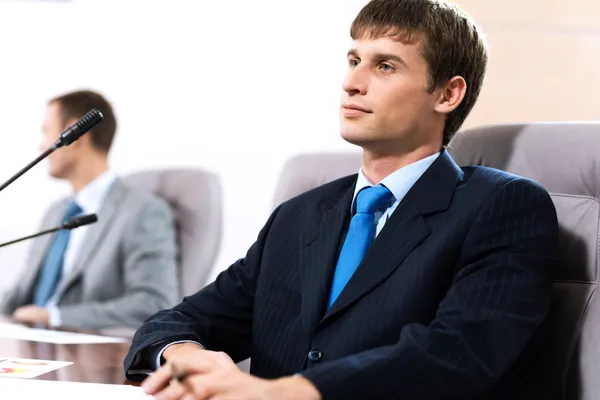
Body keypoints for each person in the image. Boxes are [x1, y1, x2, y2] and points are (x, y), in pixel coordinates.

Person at [125, 0, 559, 398]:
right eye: (353, 61)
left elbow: (457, 354)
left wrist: (288, 393)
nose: (352, 83)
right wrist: (183, 354)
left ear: (448, 94)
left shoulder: (503, 206)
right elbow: (173, 322)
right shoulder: (298, 217)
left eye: (385, 66)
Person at [0, 90, 178, 330]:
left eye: (46, 132)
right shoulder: (56, 212)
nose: (40, 145)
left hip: (83, 354)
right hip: (27, 345)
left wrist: (54, 316)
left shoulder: (143, 211)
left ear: (75, 134)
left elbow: (154, 302)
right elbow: (21, 293)